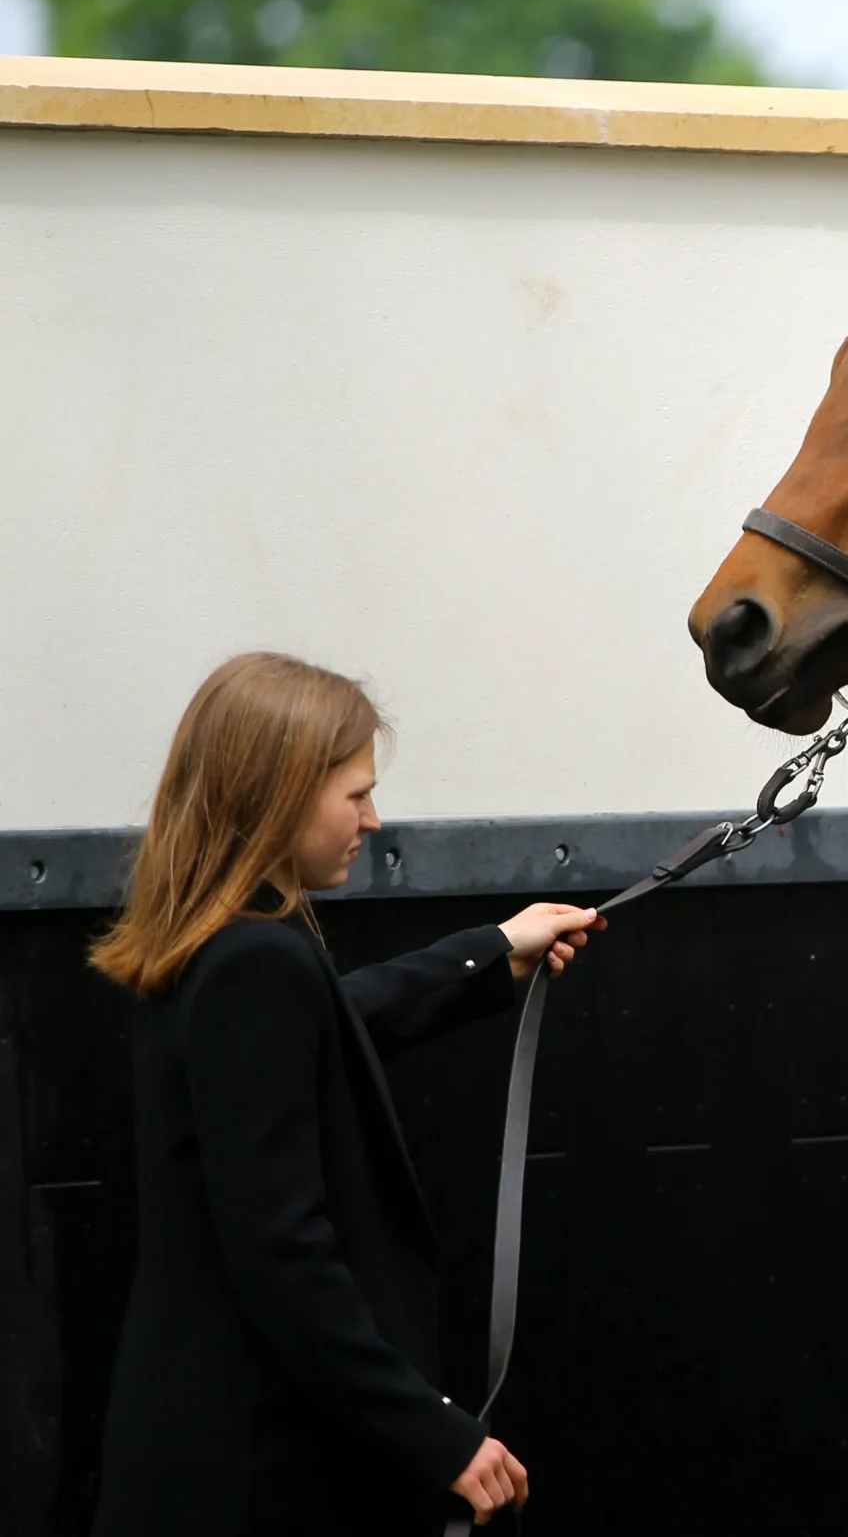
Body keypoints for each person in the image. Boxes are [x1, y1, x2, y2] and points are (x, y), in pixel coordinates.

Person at [89, 653, 604, 1537]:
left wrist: (490, 950)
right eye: (355, 793)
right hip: (257, 1471)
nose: (373, 817)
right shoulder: (256, 962)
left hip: (203, 1446)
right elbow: (284, 1253)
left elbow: (329, 1022)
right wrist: (436, 1431)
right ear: (278, 793)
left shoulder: (210, 941)